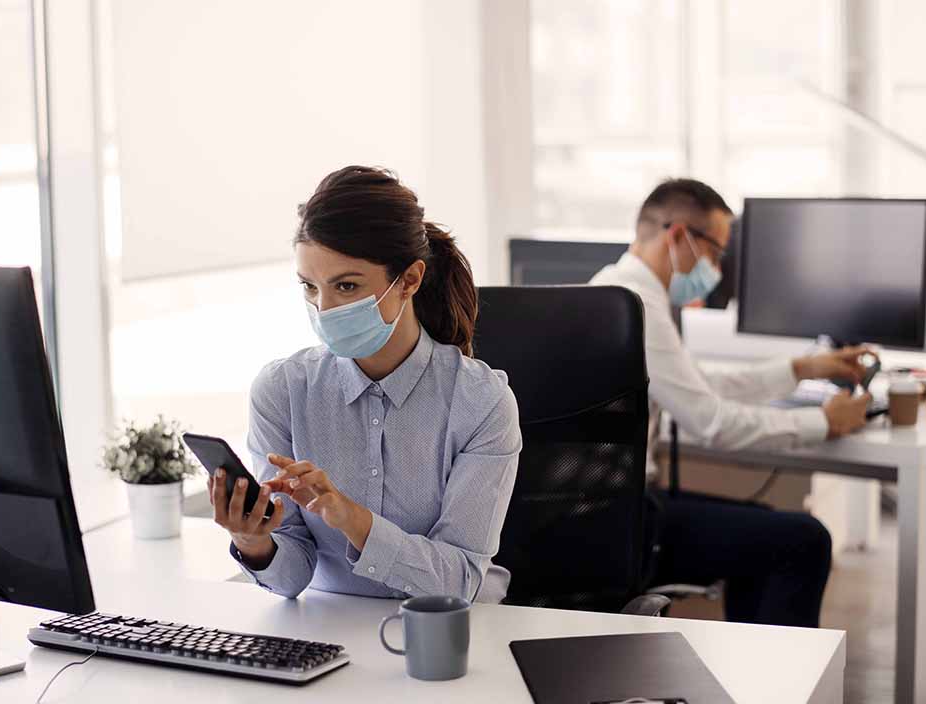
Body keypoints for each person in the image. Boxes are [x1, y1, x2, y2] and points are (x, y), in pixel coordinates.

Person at [207, 165, 521, 603]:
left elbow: (460, 581)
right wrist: (253, 541)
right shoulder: (282, 390)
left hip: (451, 632)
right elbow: (292, 577)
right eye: (309, 288)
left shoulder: (481, 403)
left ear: (409, 280)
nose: (325, 308)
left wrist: (351, 519)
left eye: (346, 286)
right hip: (330, 631)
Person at [590, 178, 872, 628]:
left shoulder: (618, 289)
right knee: (804, 541)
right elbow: (710, 421)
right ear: (679, 236)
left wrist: (801, 369)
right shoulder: (637, 302)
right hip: (623, 523)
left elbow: (697, 384)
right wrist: (821, 421)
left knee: (765, 531)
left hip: (607, 513)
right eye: (717, 252)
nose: (719, 268)